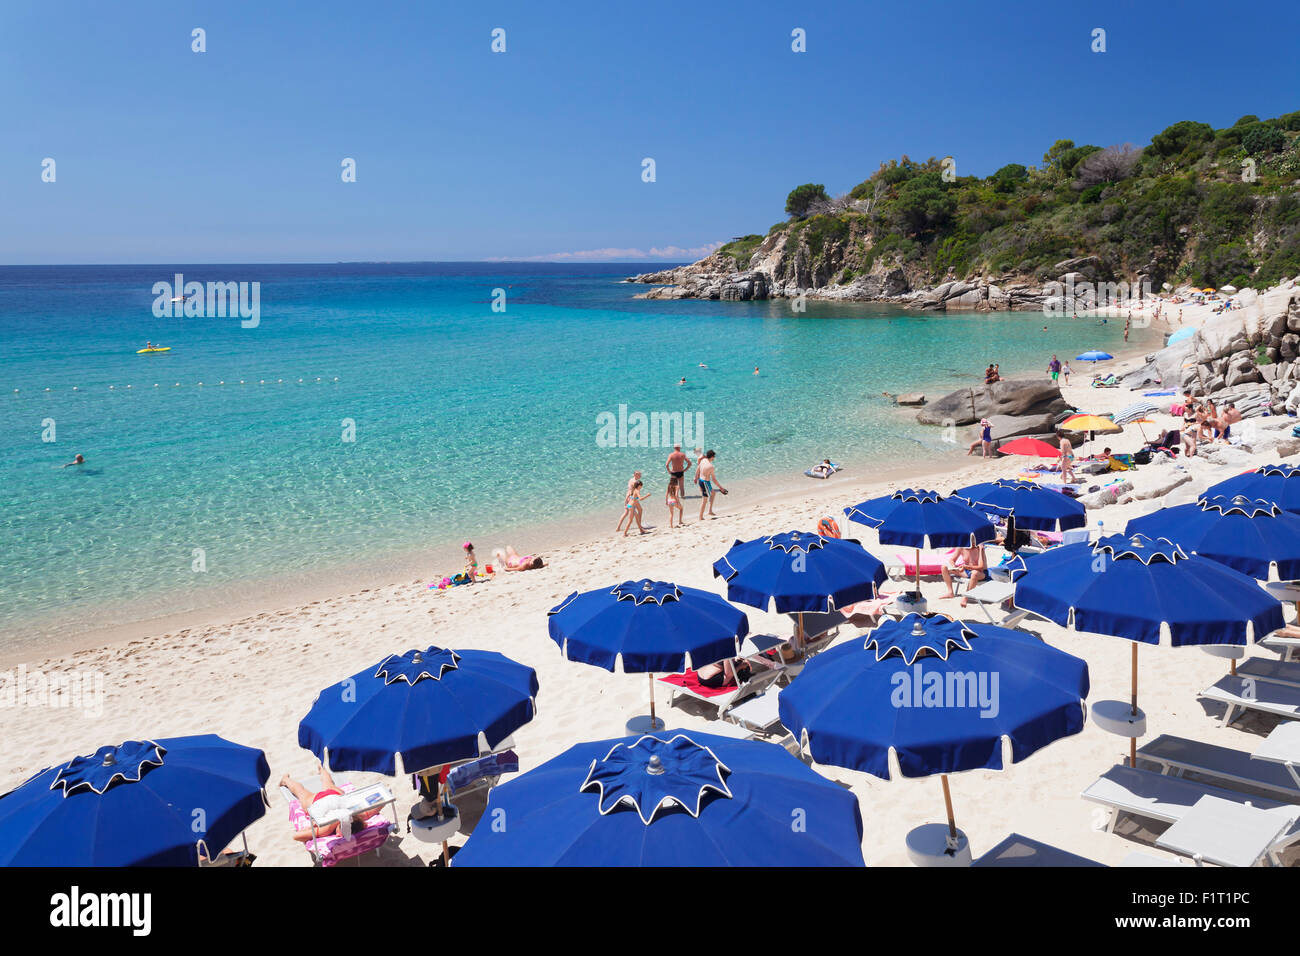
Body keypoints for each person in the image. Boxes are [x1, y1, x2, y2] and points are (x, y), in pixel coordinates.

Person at [281, 766, 382, 841]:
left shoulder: (359, 816)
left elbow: (379, 804)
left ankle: (322, 769)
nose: (339, 835)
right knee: (300, 791)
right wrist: (315, 827)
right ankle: (285, 780)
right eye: (342, 834)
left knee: (327, 782)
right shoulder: (327, 829)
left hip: (335, 796)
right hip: (316, 801)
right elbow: (296, 836)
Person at [698, 450, 727, 519]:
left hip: (701, 480)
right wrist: (721, 488)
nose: (714, 458)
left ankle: (710, 511)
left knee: (713, 493)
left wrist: (696, 476)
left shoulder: (703, 460)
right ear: (712, 457)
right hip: (705, 483)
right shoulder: (710, 467)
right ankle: (700, 517)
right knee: (704, 500)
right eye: (714, 457)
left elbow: (698, 467)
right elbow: (714, 479)